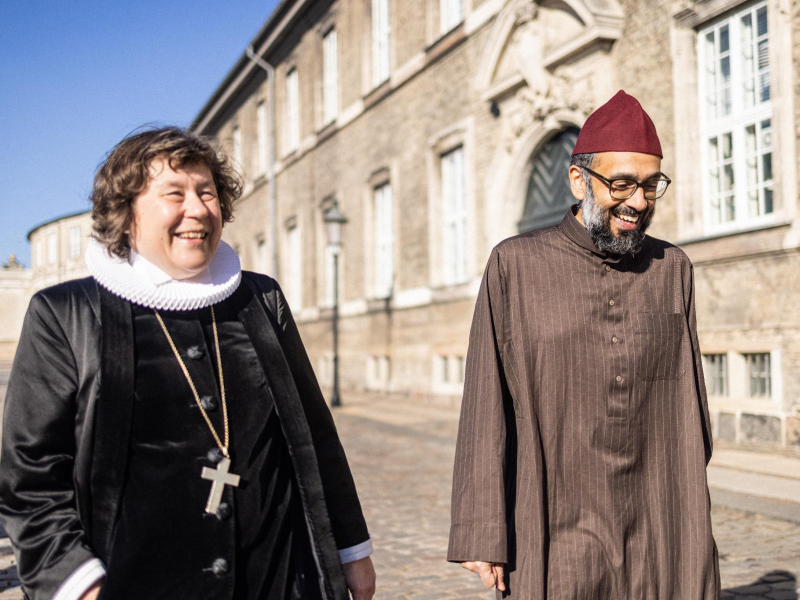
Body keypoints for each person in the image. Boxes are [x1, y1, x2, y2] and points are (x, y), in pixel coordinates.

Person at [0, 127, 376, 600]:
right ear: (126, 212)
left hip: (275, 579)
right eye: (174, 194)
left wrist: (350, 549)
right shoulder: (65, 314)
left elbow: (313, 438)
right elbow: (31, 475)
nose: (197, 208)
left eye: (208, 193)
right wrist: (78, 584)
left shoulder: (261, 300)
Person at [448, 91, 720, 598]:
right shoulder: (516, 266)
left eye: (650, 186)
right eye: (622, 184)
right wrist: (482, 531)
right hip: (555, 522)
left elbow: (693, 410)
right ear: (578, 179)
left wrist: (689, 521)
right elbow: (486, 404)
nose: (638, 202)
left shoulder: (673, 269)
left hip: (659, 524)